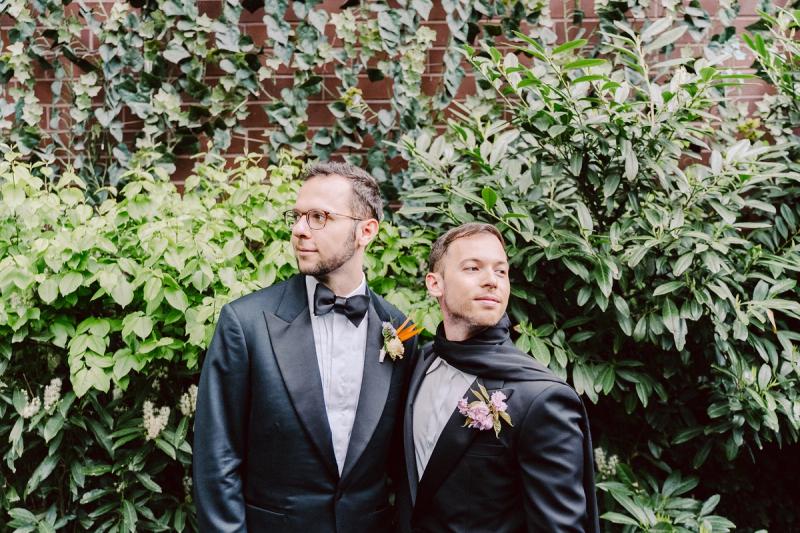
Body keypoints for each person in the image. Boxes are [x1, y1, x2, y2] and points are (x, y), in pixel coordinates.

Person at [193, 162, 418, 532]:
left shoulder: (400, 330)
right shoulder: (246, 324)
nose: (299, 230)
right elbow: (216, 460)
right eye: (297, 216)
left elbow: (403, 464)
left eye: (319, 217)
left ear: (365, 231)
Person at [397, 222, 599, 533]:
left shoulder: (541, 399)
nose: (491, 281)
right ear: (435, 284)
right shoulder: (419, 363)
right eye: (473, 268)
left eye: (501, 271)